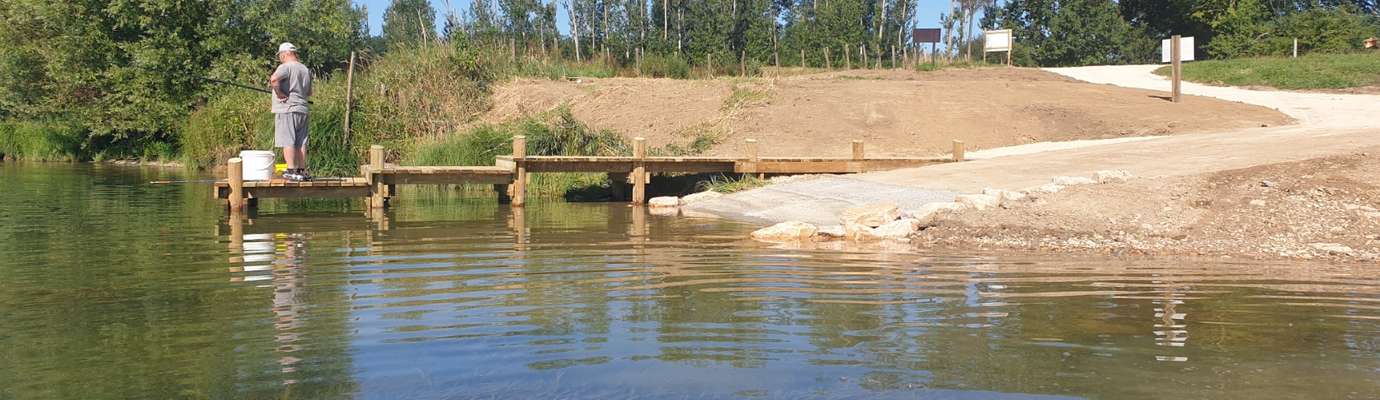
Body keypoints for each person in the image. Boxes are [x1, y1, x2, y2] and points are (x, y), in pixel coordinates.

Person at [270, 42, 313, 181]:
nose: (280, 58)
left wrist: (279, 92)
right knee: (301, 142)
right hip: (302, 109)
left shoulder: (285, 67)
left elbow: (274, 79)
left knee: (287, 140)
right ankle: (301, 170)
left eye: (280, 55)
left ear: (286, 53)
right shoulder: (305, 69)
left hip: (287, 109)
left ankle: (290, 170)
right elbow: (309, 92)